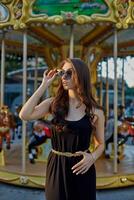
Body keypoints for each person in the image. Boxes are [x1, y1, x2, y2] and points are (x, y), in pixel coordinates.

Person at [19, 58, 105, 200]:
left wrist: (92, 157)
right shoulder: (53, 104)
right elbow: (24, 115)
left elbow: (100, 144)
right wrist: (44, 85)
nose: (64, 77)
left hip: (82, 168)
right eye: (62, 73)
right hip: (57, 166)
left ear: (81, 76)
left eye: (69, 73)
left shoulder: (96, 111)